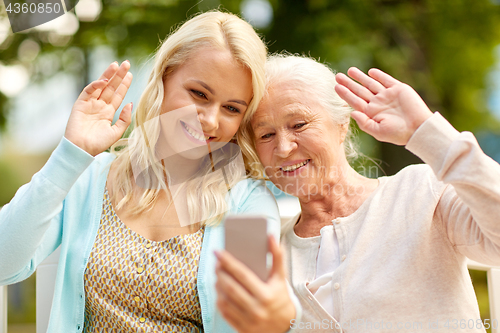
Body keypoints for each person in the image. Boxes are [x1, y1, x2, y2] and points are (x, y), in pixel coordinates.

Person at [0, 11, 292, 333]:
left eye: (231, 108)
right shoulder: (90, 177)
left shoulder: (246, 203)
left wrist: (273, 314)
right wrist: (71, 155)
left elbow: (250, 320)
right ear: (164, 77)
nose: (209, 120)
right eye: (199, 94)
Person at [215, 54, 500, 333]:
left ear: (342, 125)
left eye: (299, 125)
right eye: (266, 135)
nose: (284, 147)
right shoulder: (271, 251)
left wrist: (426, 132)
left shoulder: (420, 192)